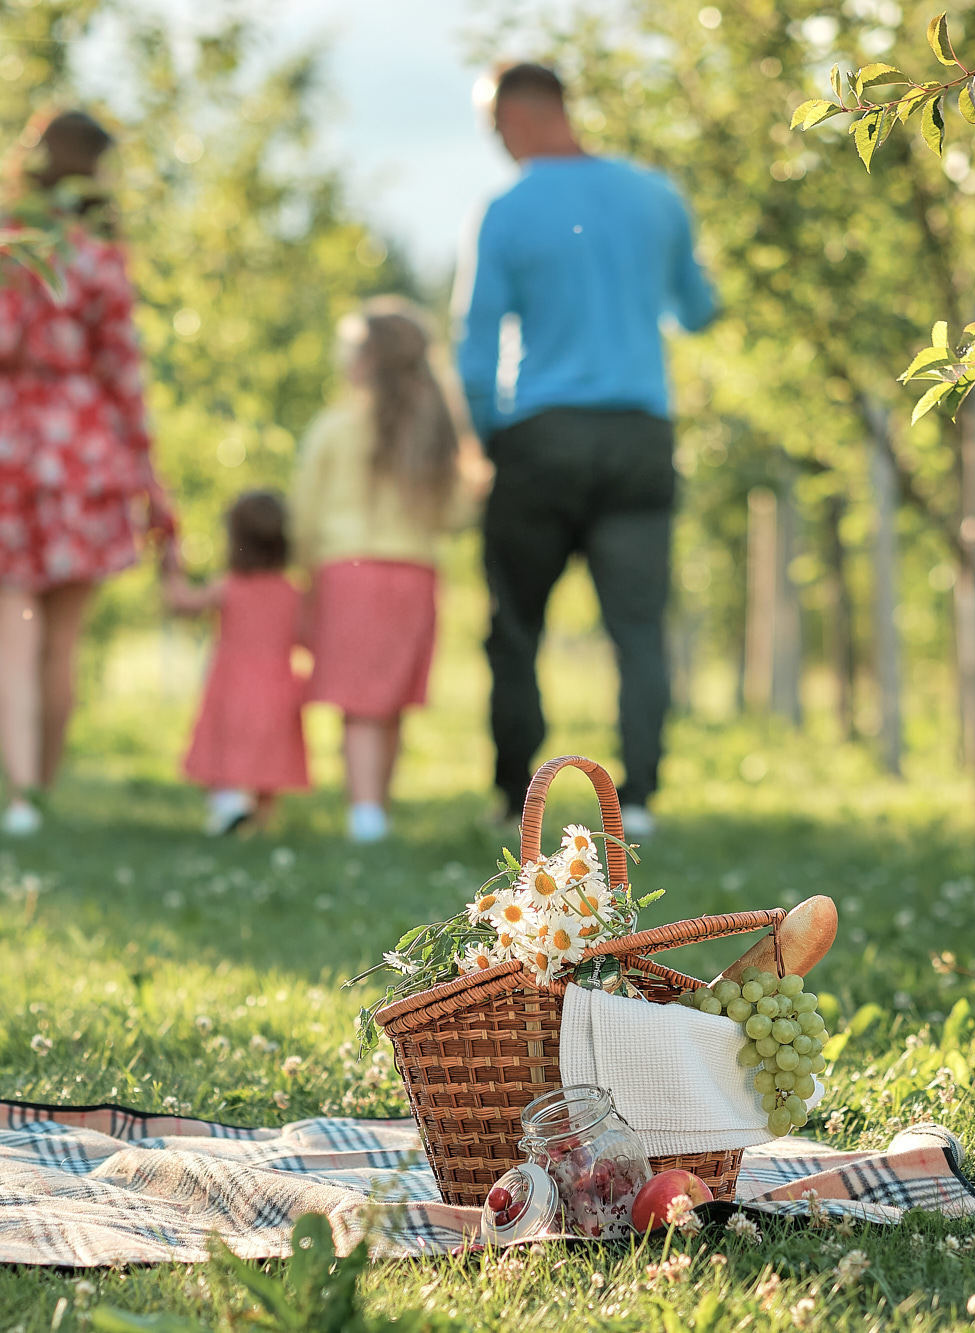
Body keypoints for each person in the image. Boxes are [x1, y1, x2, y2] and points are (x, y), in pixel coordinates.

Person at [0, 109, 176, 837]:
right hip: (79, 449)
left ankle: (21, 799)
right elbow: (125, 380)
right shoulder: (99, 258)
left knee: (9, 634)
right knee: (60, 642)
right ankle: (39, 789)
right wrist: (151, 486)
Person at [454, 61, 716, 838]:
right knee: (638, 628)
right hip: (638, 434)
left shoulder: (505, 209)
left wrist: (484, 438)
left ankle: (515, 799)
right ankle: (635, 801)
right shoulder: (656, 195)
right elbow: (698, 310)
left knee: (516, 625)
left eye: (494, 130)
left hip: (541, 434)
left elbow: (473, 350)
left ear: (516, 119)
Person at [292, 297, 469, 845]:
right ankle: (378, 807)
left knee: (359, 705)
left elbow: (305, 511)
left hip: (350, 573)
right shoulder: (435, 433)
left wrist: (304, 579)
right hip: (415, 575)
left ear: (365, 361)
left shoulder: (335, 427)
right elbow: (455, 514)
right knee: (389, 702)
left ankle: (365, 813)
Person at [164, 491, 309, 836]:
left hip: (231, 685)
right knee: (270, 759)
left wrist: (171, 567)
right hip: (278, 688)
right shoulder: (293, 593)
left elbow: (183, 603)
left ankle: (227, 806)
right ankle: (259, 822)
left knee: (220, 752)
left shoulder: (227, 587)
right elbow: (309, 637)